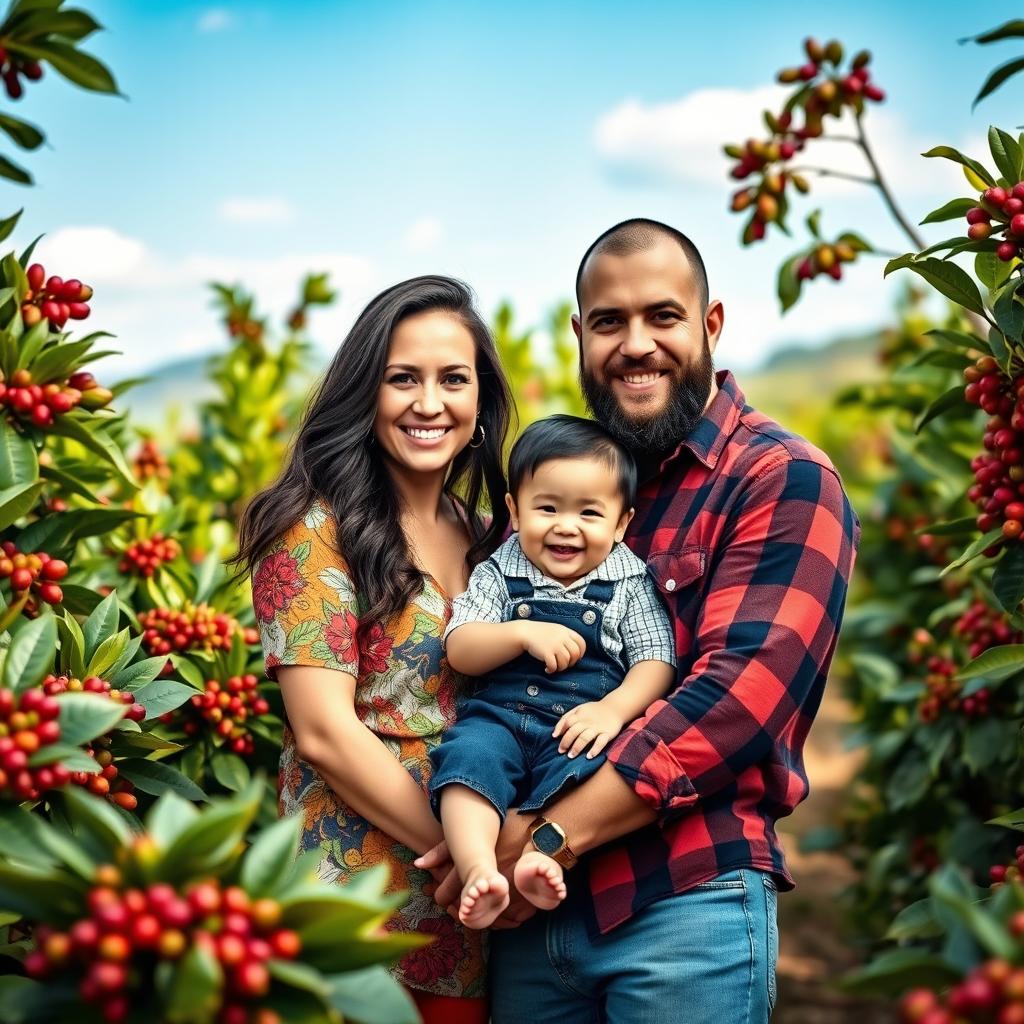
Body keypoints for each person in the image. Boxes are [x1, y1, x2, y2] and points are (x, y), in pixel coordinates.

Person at [418, 219, 860, 1023]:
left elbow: (738, 700)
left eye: (663, 316)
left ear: (710, 325)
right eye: (610, 322)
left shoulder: (780, 477)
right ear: (580, 334)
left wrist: (542, 838)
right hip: (532, 923)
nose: (637, 344)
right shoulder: (569, 482)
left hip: (682, 901)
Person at [238, 275, 514, 1024]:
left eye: (453, 379)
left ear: (480, 402)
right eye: (402, 379)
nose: (430, 403)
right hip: (355, 903)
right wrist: (465, 854)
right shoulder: (312, 526)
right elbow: (324, 732)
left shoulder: (490, 533)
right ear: (365, 393)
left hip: (469, 915)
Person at [428, 415, 676, 928]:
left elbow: (656, 660)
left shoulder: (628, 579)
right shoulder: (500, 570)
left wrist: (614, 709)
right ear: (516, 512)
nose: (566, 526)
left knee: (585, 777)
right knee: (466, 764)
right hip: (500, 720)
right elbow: (461, 648)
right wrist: (519, 634)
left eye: (589, 512)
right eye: (547, 508)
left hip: (577, 730)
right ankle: (479, 869)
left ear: (621, 522)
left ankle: (540, 860)